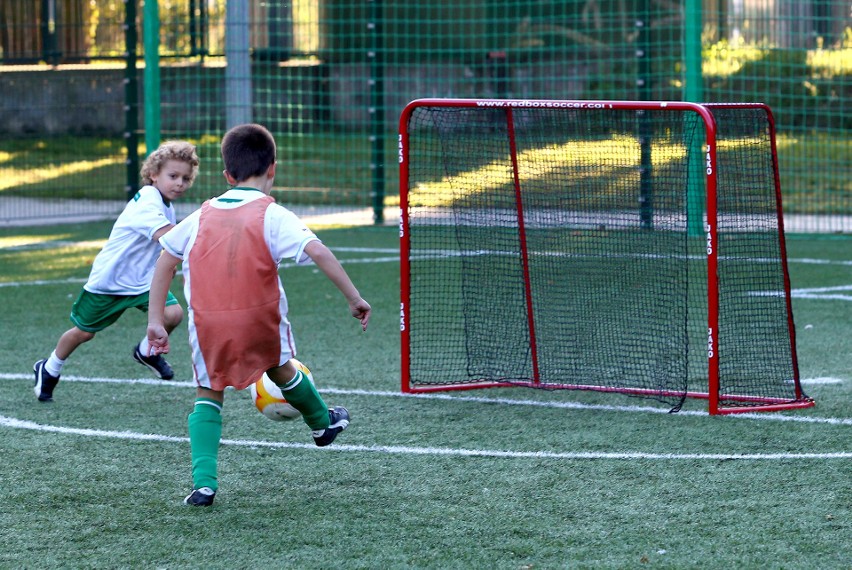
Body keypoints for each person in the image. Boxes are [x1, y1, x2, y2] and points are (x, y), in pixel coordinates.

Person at [146, 123, 371, 507]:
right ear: (272, 170)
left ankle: (204, 484)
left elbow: (165, 263)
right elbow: (317, 251)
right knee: (281, 366)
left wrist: (155, 321)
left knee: (208, 394)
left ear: (227, 176)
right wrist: (353, 298)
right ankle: (322, 423)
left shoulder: (200, 215)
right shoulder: (272, 213)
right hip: (259, 318)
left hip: (209, 323)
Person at [33, 141, 200, 402]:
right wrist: (204, 226)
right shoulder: (147, 201)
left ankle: (146, 352)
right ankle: (50, 367)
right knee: (83, 333)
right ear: (154, 174)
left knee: (173, 313)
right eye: (173, 176)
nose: (180, 183)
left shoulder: (165, 202)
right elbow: (167, 237)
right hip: (110, 282)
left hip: (142, 281)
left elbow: (163, 246)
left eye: (186, 178)